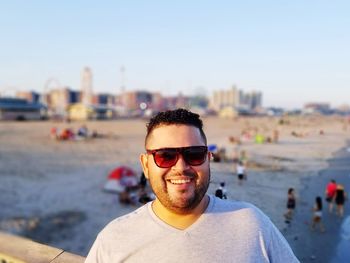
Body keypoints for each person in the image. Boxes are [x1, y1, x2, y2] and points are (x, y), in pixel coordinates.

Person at [85, 108, 299, 262]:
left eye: (194, 154)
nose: (181, 167)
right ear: (145, 165)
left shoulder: (253, 223)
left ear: (208, 158)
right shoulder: (114, 239)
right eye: (165, 156)